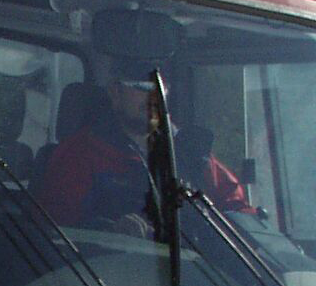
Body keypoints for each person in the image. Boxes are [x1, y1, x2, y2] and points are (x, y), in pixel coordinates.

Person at [33, 77, 253, 227]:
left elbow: (237, 212)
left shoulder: (192, 155)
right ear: (115, 92)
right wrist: (109, 231)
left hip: (189, 283)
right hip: (104, 279)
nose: (153, 97)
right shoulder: (80, 153)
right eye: (143, 87)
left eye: (160, 88)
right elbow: (58, 225)